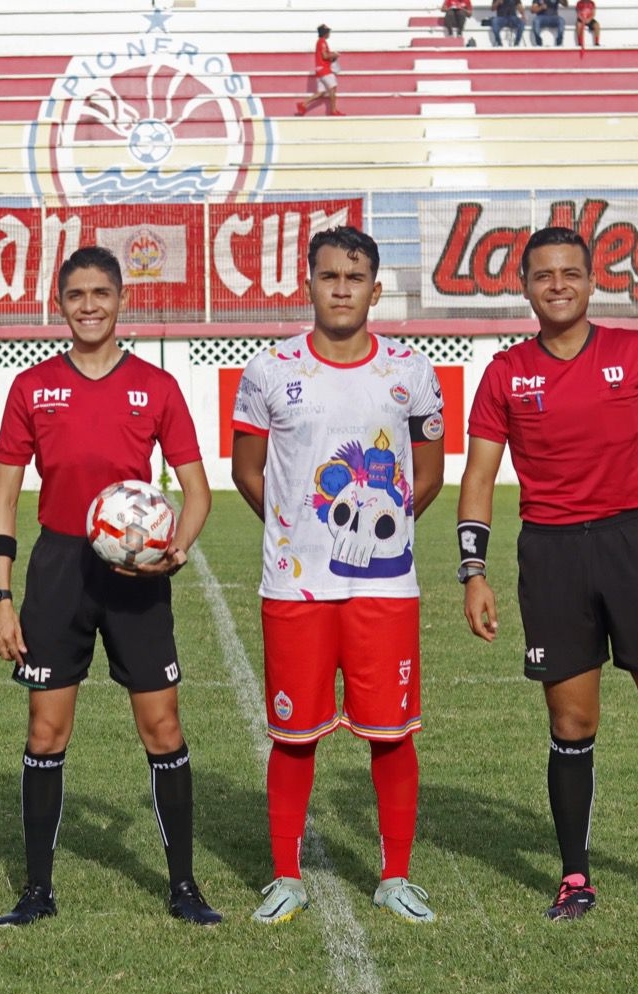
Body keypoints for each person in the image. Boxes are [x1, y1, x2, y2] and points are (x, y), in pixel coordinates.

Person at [457, 226, 638, 923]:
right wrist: (473, 570)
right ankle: (575, 878)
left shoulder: (635, 353)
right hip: (551, 553)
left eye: (570, 273)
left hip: (635, 544)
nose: (558, 284)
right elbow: (481, 475)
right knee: (571, 718)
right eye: (544, 274)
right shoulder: (504, 373)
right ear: (523, 286)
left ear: (591, 281)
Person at [0, 245, 219, 927]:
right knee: (46, 730)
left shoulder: (157, 387)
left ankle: (183, 886)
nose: (89, 306)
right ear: (59, 305)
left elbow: (197, 490)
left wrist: (175, 550)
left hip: (136, 573)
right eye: (76, 295)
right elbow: (3, 498)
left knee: (162, 725)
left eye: (101, 293)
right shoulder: (31, 388)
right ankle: (36, 890)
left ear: (122, 301)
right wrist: (0, 596)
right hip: (58, 569)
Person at [231, 226, 446, 925]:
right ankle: (287, 876)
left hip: (385, 589)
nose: (342, 289)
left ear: (375, 289)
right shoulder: (268, 369)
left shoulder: (410, 370)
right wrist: (298, 529)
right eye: (329, 277)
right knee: (294, 736)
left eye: (355, 278)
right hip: (296, 588)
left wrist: (385, 533)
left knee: (392, 733)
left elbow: (433, 468)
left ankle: (395, 875)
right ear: (310, 284)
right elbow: (246, 469)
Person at [296, 24, 343, 116]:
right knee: (333, 88)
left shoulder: (320, 42)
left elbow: (324, 55)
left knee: (321, 92)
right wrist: (334, 55)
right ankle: (333, 110)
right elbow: (325, 56)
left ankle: (303, 103)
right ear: (325, 33)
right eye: (328, 32)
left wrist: (332, 55)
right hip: (325, 69)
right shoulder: (322, 42)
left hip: (319, 70)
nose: (329, 34)